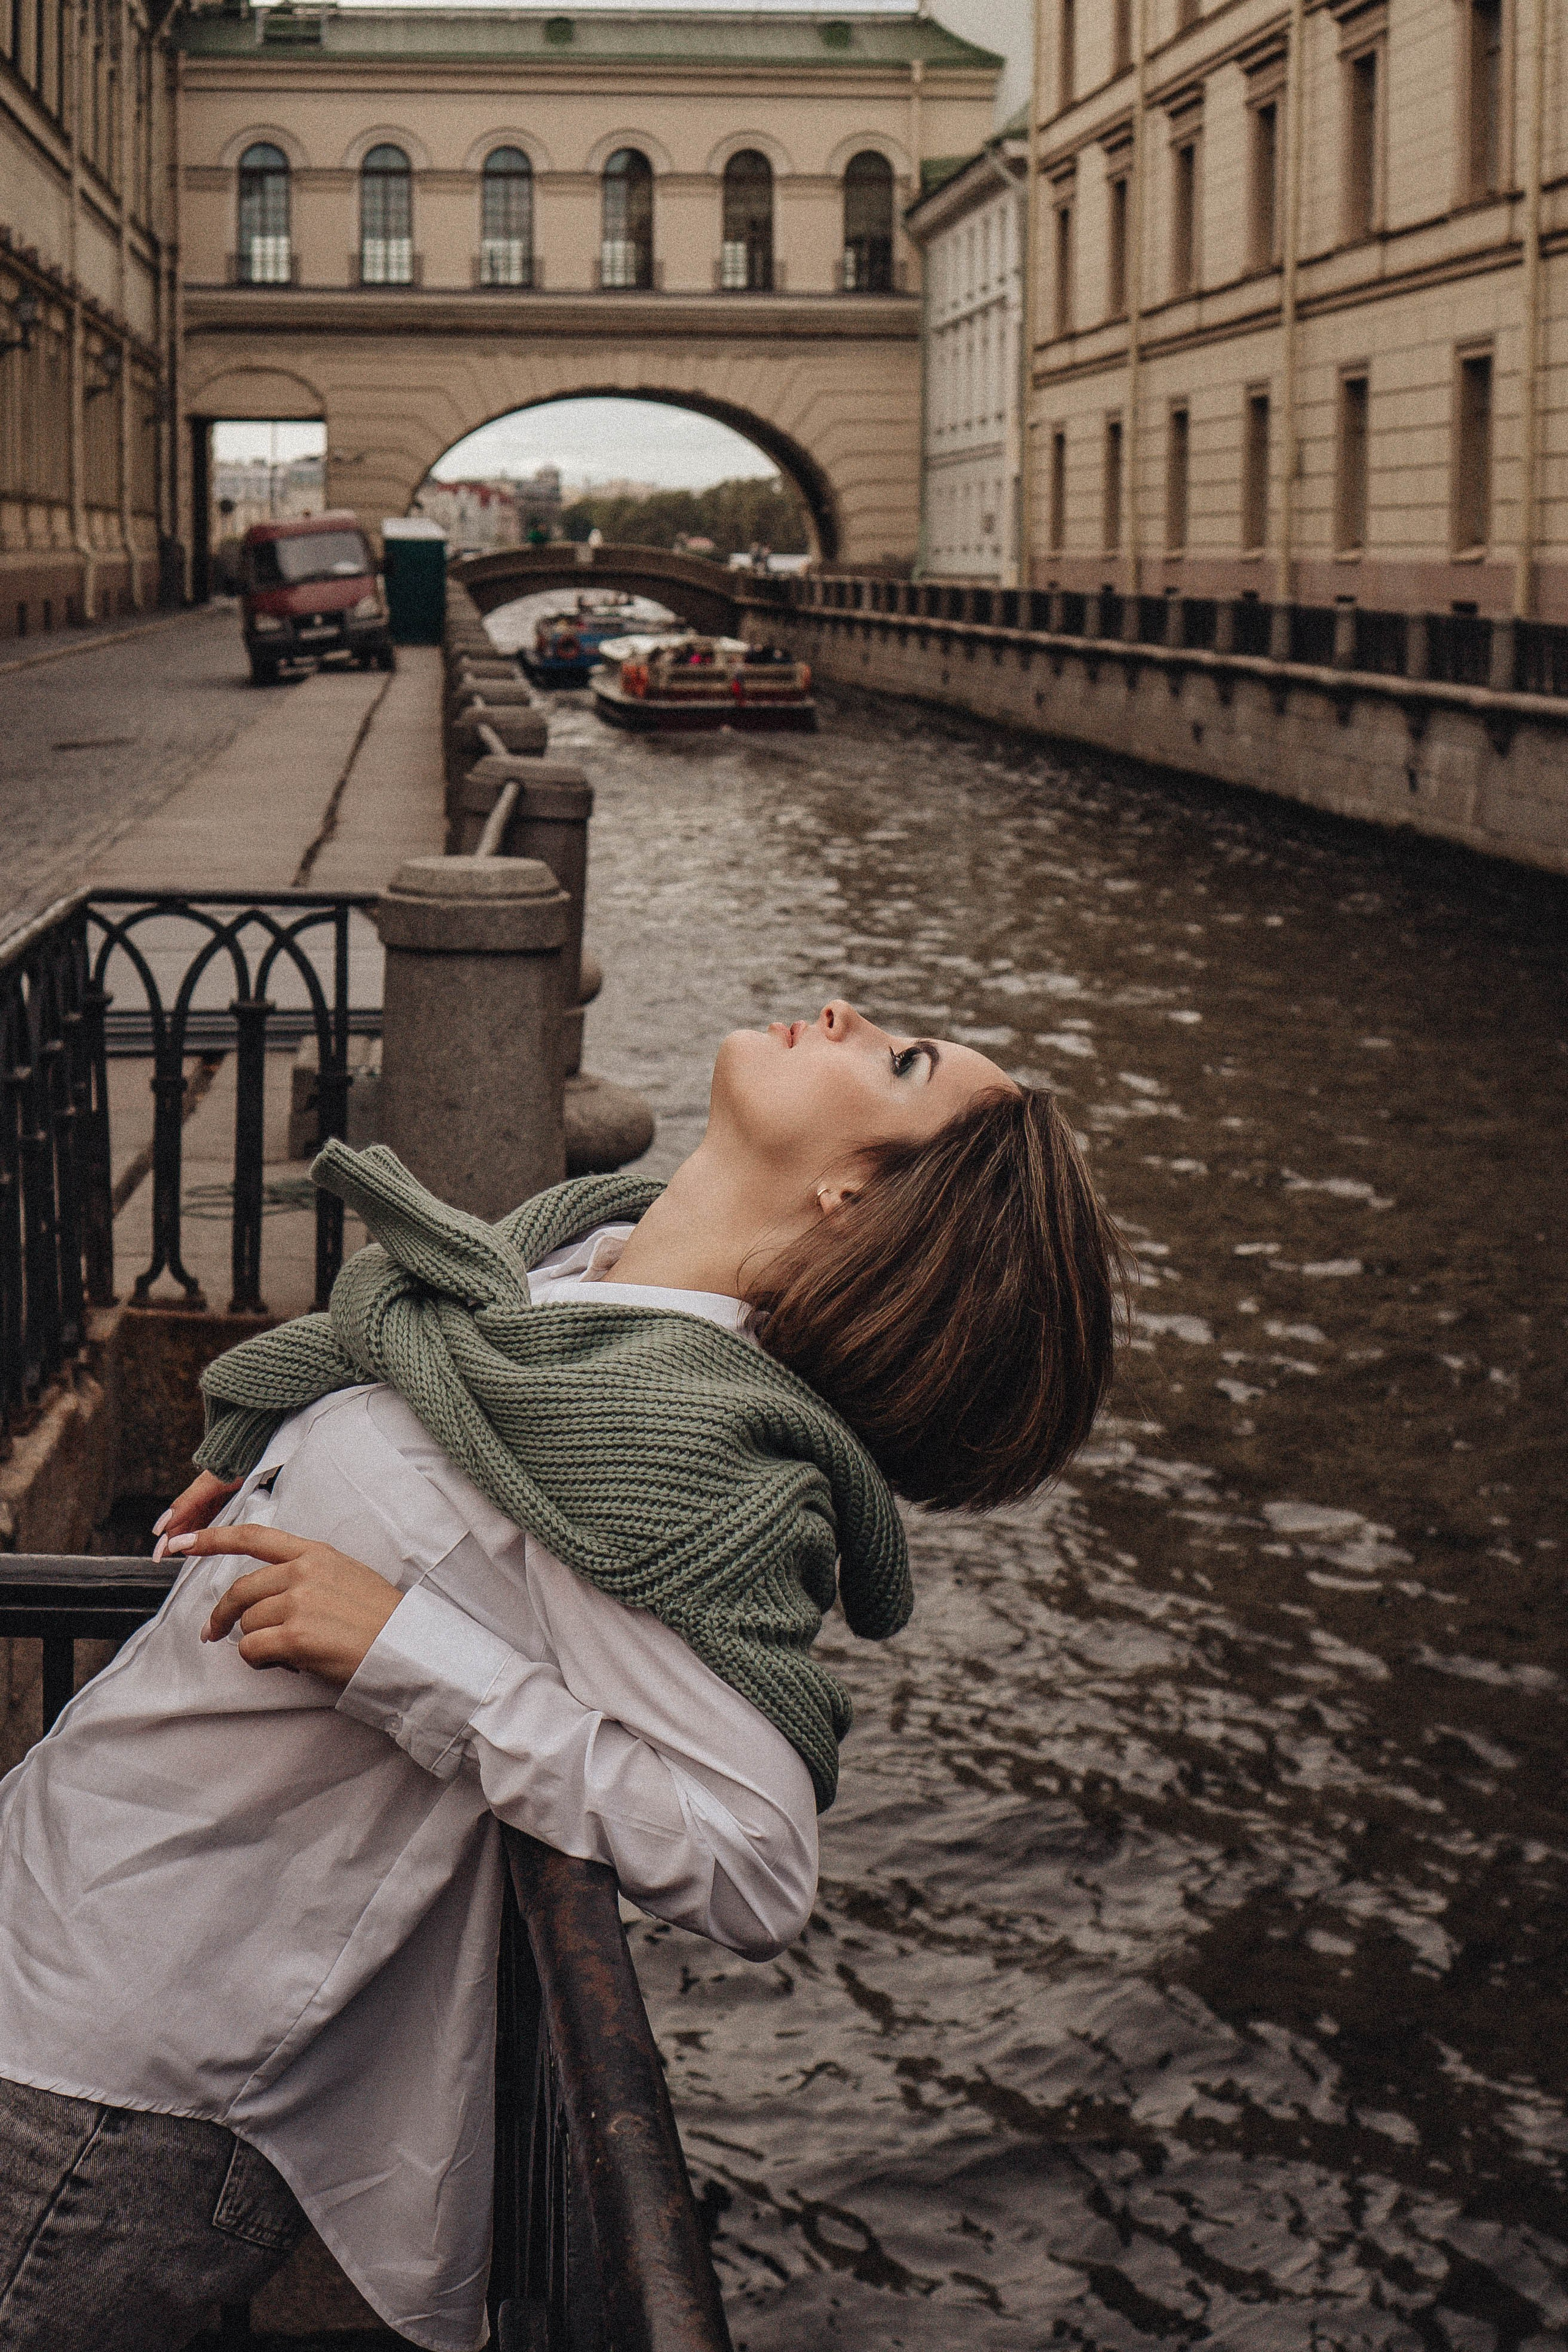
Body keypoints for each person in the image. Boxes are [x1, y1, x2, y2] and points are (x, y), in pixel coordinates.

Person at [0, 1001, 1126, 2352]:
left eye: (896, 1061)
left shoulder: (680, 1454)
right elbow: (415, 1391)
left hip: (108, 2079)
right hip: (54, 1915)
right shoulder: (564, 1288)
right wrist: (283, 1425)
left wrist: (409, 1653)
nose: (844, 1014)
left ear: (853, 1197)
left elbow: (753, 1859)